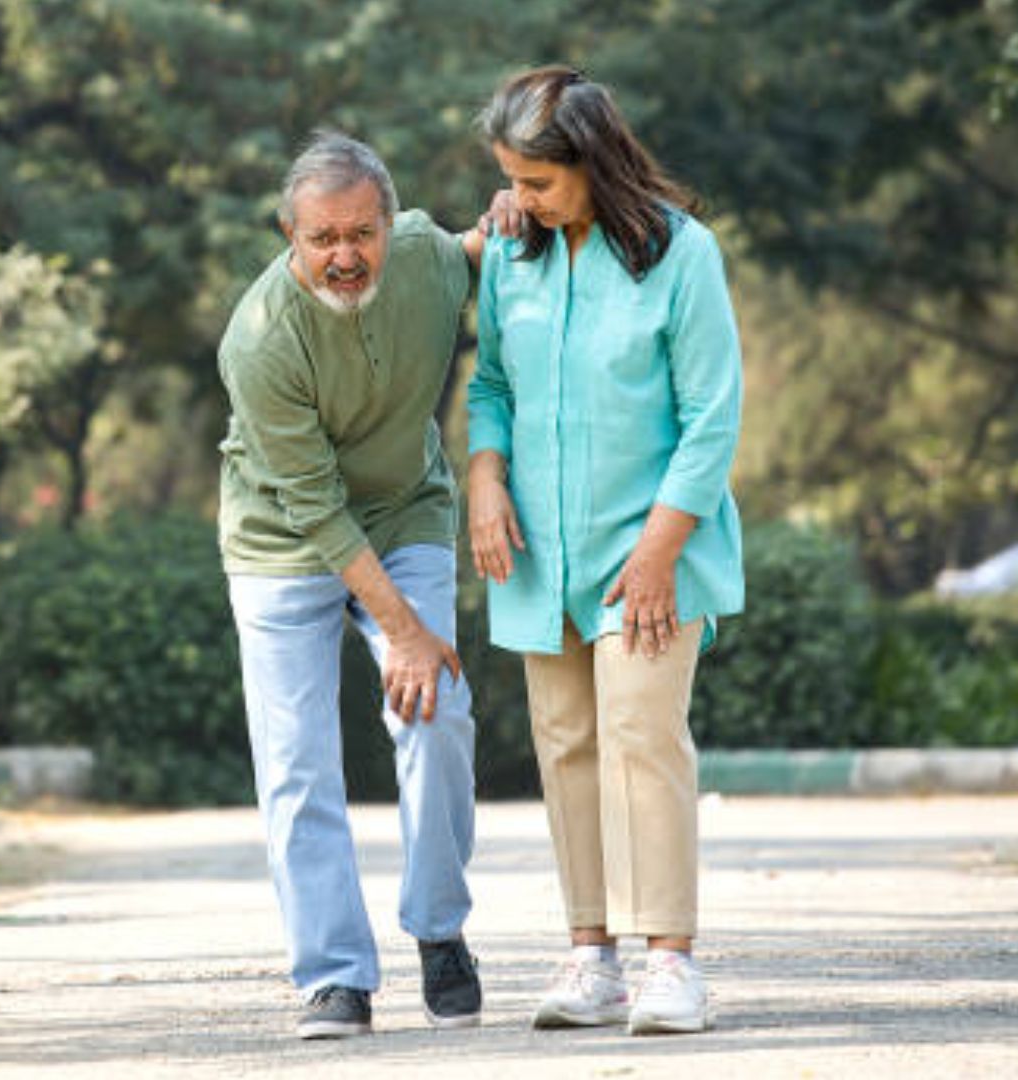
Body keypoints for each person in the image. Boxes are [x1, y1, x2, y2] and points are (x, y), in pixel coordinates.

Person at [466, 66, 745, 1036]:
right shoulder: (513, 254)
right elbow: (490, 382)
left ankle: (672, 960)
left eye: (539, 182)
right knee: (567, 745)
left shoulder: (682, 255)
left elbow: (713, 416)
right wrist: (485, 476)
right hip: (543, 553)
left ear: (591, 160)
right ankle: (592, 958)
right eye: (515, 181)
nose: (523, 200)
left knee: (642, 738)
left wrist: (663, 549)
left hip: (652, 546)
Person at [217, 130, 492, 1040]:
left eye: (361, 235)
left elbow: (475, 254)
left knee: (437, 710)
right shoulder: (258, 341)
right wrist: (403, 629)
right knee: (298, 762)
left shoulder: (422, 259)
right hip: (283, 540)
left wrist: (509, 217)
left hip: (407, 509)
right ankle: (335, 976)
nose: (345, 257)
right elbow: (316, 510)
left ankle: (440, 931)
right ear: (290, 237)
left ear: (388, 222)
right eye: (322, 239)